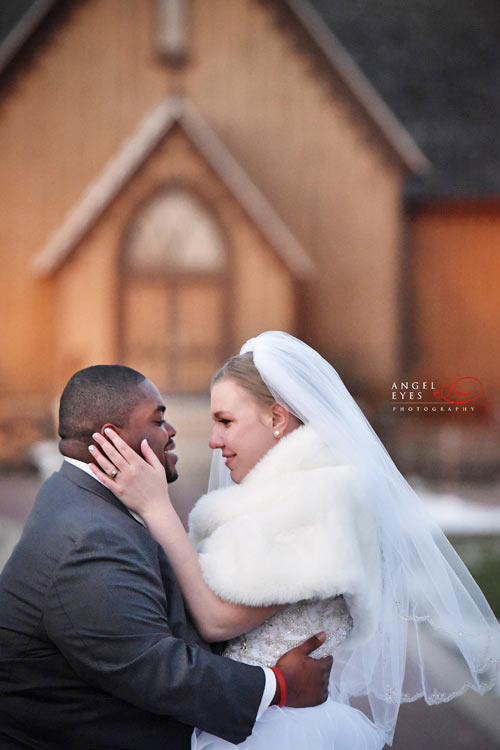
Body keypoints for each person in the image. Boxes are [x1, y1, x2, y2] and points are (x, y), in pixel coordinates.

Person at [89, 332, 500, 748]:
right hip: (255, 718)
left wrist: (157, 508)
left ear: (277, 419)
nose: (214, 441)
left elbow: (216, 620)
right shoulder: (282, 497)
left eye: (226, 422)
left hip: (280, 732)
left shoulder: (318, 498)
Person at [0, 364, 333, 750]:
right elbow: (154, 668)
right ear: (113, 437)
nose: (171, 432)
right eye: (159, 421)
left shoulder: (79, 497)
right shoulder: (90, 535)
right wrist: (281, 686)